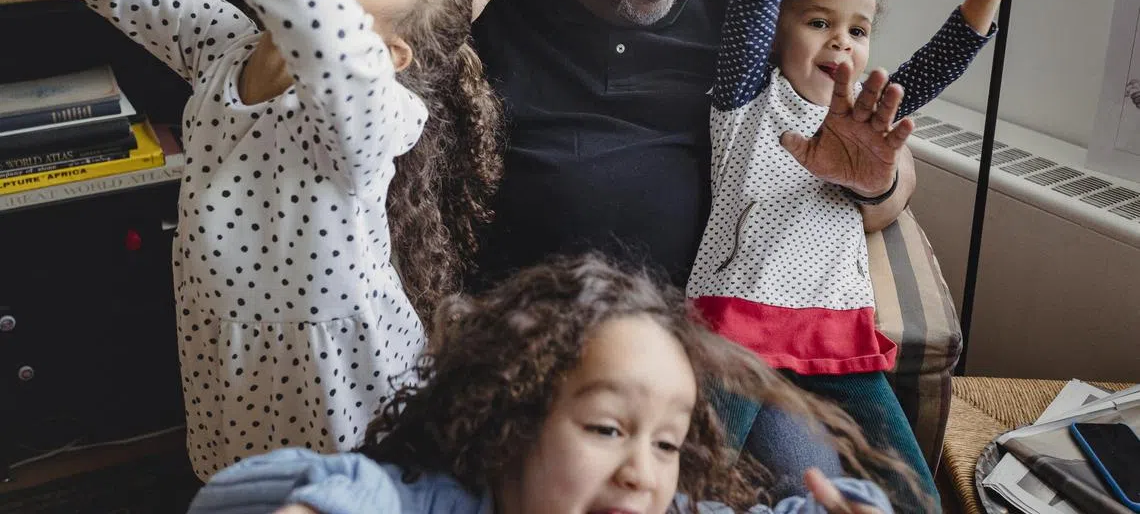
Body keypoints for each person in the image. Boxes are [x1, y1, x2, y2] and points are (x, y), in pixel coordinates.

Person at [27, 0, 501, 480]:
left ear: (391, 55)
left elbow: (325, 27)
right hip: (230, 394)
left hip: (355, 428)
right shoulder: (221, 45)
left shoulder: (376, 113)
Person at [683, 0, 1006, 512]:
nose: (841, 43)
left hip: (836, 328)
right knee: (694, 482)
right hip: (737, 325)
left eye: (857, 30)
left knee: (914, 491)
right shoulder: (745, 94)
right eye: (818, 22)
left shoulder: (866, 113)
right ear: (777, 33)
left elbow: (937, 63)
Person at [468, 0, 915, 296]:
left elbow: (881, 160)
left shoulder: (749, 21)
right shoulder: (492, 0)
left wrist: (876, 185)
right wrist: (441, 39)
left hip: (697, 326)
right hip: (519, 319)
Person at [186, 254, 908, 514]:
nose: (640, 473)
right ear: (511, 425)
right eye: (606, 429)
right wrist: (334, 502)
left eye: (667, 444)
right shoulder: (446, 503)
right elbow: (235, 494)